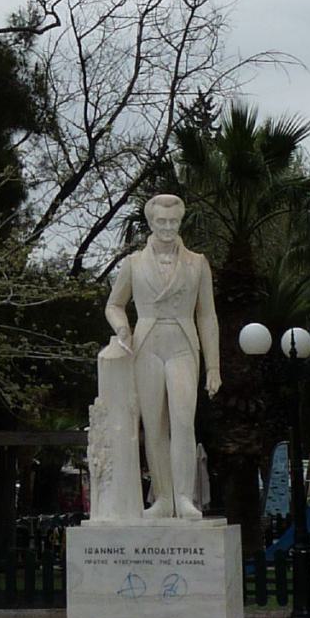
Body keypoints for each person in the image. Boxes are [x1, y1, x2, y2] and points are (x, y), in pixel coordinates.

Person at [105, 193, 221, 519]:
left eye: (173, 222)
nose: (168, 227)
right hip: (146, 343)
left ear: (180, 222)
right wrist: (122, 328)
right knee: (154, 424)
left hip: (183, 342)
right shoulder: (134, 264)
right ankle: (163, 498)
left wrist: (213, 366)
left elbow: (207, 316)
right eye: (161, 222)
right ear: (150, 223)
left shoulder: (197, 263)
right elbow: (114, 304)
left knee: (183, 420)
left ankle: (184, 496)